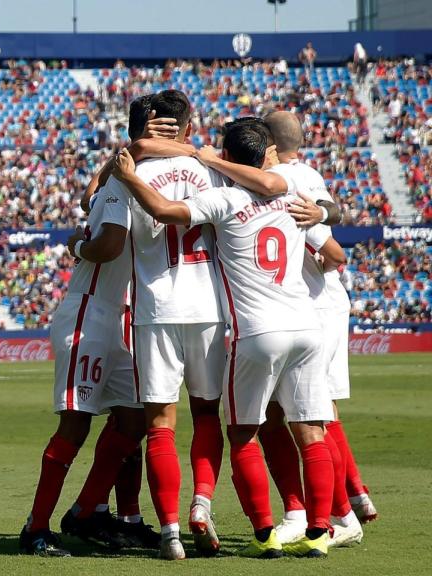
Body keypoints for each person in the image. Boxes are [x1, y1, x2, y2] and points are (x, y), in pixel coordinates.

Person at [115, 119, 337, 559]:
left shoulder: (225, 197)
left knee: (241, 434)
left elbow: (164, 211)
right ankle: (320, 531)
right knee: (312, 432)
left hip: (255, 330)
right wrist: (325, 213)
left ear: (228, 157)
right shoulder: (290, 193)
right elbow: (330, 249)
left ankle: (264, 533)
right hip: (307, 327)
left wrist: (128, 175)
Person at [20, 95, 154, 558]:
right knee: (75, 424)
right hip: (90, 313)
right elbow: (110, 246)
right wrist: (77, 247)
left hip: (119, 314)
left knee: (133, 419)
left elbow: (86, 196)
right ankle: (36, 528)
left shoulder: (129, 178)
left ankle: (86, 511)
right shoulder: (122, 183)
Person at [97, 90, 229, 560]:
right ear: (187, 126)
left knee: (160, 426)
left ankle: (170, 533)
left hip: (155, 306)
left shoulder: (128, 171)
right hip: (209, 306)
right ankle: (201, 504)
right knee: (209, 415)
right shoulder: (212, 168)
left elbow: (91, 203)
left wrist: (129, 152)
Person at [255, 111, 370, 547]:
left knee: (308, 416)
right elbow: (333, 217)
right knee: (310, 414)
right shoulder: (304, 174)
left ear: (267, 142)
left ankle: (337, 514)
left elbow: (333, 246)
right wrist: (323, 210)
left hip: (309, 306)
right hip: (312, 304)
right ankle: (347, 501)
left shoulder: (282, 178)